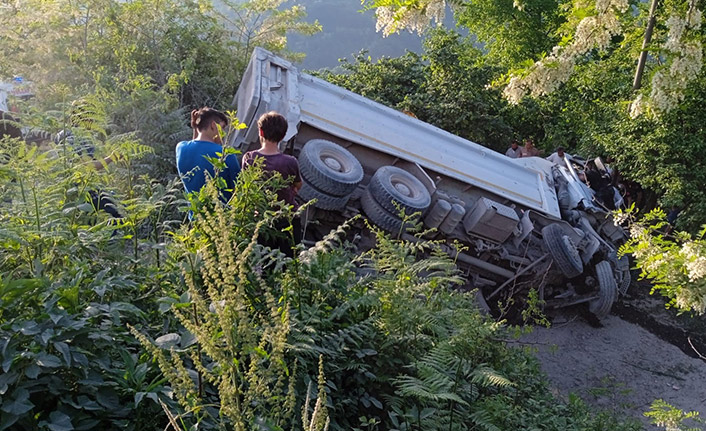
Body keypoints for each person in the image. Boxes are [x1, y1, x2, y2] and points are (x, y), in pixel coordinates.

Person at [241, 111, 302, 256]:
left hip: (261, 219)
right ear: (283, 135)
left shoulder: (249, 158)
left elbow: (246, 185)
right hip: (288, 219)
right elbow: (298, 184)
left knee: (263, 263)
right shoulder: (290, 162)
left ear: (260, 131)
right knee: (289, 262)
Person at [176, 107, 240, 203]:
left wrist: (195, 128)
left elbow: (196, 148)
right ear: (213, 126)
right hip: (222, 215)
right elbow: (238, 191)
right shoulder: (226, 155)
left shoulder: (180, 148)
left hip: (194, 215)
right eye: (222, 128)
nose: (224, 133)